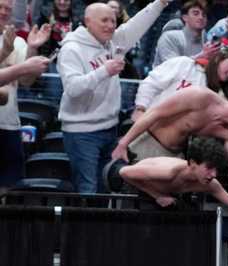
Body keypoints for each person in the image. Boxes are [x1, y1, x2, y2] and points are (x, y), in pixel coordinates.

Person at [111, 82, 228, 221]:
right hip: (148, 141)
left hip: (174, 156)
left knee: (164, 208)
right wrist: (123, 143)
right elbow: (154, 113)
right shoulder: (200, 96)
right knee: (133, 198)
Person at [58, 0, 170, 193]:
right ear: (88, 21)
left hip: (109, 128)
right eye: (104, 20)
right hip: (81, 132)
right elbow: (73, 88)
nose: (110, 25)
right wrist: (104, 71)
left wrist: (159, 3)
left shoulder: (112, 41)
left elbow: (136, 25)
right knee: (88, 189)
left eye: (113, 21)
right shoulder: (71, 48)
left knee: (106, 188)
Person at [112, 137, 228, 232]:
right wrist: (157, 195)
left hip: (158, 192)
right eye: (209, 168)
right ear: (192, 163)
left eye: (216, 169)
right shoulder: (169, 171)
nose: (213, 175)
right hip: (122, 177)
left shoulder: (209, 184)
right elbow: (124, 173)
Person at [0, 0, 49, 187]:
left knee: (11, 186)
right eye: (0, 7)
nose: (4, 12)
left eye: (8, 9)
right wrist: (5, 53)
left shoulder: (17, 41)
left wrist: (32, 48)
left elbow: (26, 81)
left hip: (10, 124)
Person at [152, 0, 207, 67]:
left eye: (204, 15)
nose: (201, 17)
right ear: (185, 17)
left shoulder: (205, 39)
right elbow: (171, 66)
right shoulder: (169, 37)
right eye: (196, 14)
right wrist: (201, 56)